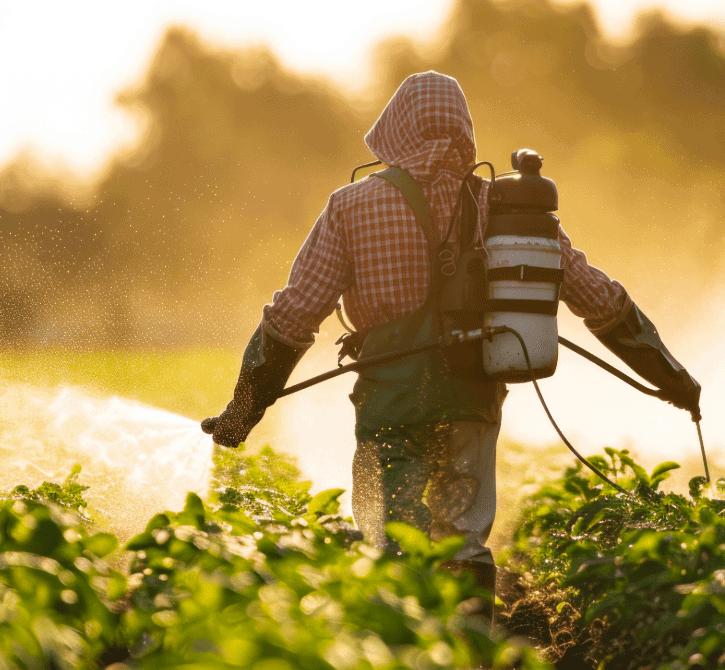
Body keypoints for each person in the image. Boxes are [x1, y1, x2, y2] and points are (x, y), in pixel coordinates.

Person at [201, 71, 700, 612]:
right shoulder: (511, 212)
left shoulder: (352, 207)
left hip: (389, 407)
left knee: (390, 544)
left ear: (393, 131)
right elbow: (597, 297)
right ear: (465, 131)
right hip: (472, 404)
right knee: (464, 541)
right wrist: (673, 378)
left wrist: (241, 412)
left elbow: (292, 318)